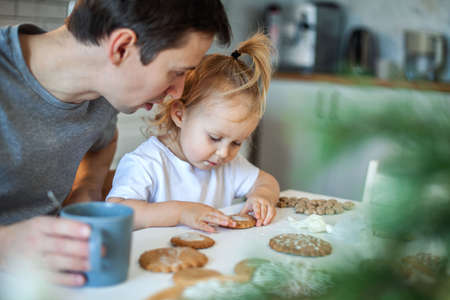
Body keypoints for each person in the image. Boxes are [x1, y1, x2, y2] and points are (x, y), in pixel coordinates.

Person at [0, 0, 231, 286]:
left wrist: (87, 187)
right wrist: (6, 243)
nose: (178, 91)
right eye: (177, 72)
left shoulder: (102, 92)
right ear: (121, 48)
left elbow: (103, 141)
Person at [106, 32, 280, 233]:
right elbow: (117, 213)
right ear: (180, 115)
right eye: (215, 137)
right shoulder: (146, 164)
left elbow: (267, 181)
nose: (224, 152)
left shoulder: (227, 165)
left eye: (237, 143)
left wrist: (262, 196)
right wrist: (181, 212)